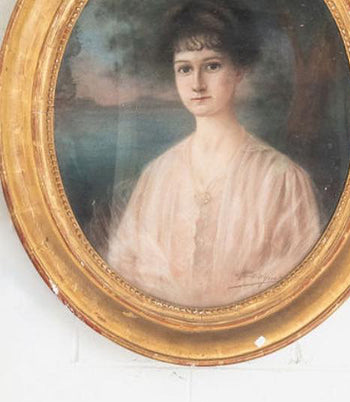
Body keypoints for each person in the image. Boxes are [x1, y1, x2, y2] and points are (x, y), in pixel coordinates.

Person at [107, 0, 322, 309]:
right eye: (184, 69)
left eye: (212, 65)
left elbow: (296, 287)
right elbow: (123, 270)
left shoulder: (282, 179)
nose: (196, 84)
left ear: (239, 70)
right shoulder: (157, 176)